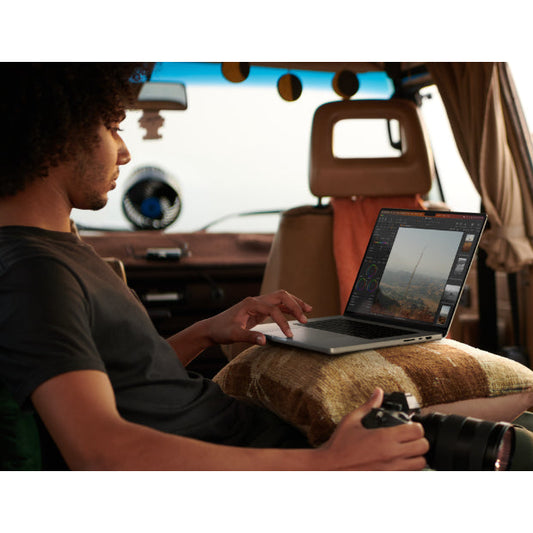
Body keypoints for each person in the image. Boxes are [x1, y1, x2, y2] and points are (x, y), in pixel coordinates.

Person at [0, 63, 428, 470]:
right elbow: (102, 453)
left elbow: (131, 381)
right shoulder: (35, 275)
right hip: (271, 457)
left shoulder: (58, 250)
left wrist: (206, 331)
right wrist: (329, 464)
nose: (125, 153)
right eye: (114, 129)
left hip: (258, 440)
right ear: (59, 134)